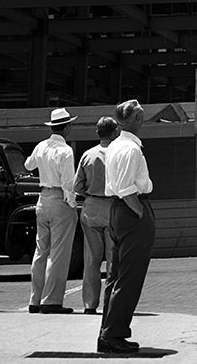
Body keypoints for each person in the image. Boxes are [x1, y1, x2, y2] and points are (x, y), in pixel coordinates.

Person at [98, 99, 155, 357]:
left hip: (117, 212)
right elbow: (126, 188)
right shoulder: (131, 149)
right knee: (130, 278)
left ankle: (107, 332)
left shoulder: (114, 146)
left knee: (116, 275)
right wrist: (141, 212)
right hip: (131, 211)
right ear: (136, 120)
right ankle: (114, 335)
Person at [25, 107, 78, 315]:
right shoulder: (65, 151)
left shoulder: (40, 146)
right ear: (66, 127)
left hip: (43, 199)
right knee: (59, 253)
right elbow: (68, 183)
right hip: (59, 200)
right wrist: (72, 205)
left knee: (40, 251)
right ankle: (52, 300)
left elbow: (28, 165)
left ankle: (35, 299)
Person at [75, 116, 120, 314]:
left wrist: (90, 193)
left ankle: (89, 304)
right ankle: (110, 303)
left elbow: (77, 186)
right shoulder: (120, 154)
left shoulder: (88, 155)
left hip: (91, 206)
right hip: (113, 207)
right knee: (113, 259)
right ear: (115, 132)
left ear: (97, 133)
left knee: (91, 259)